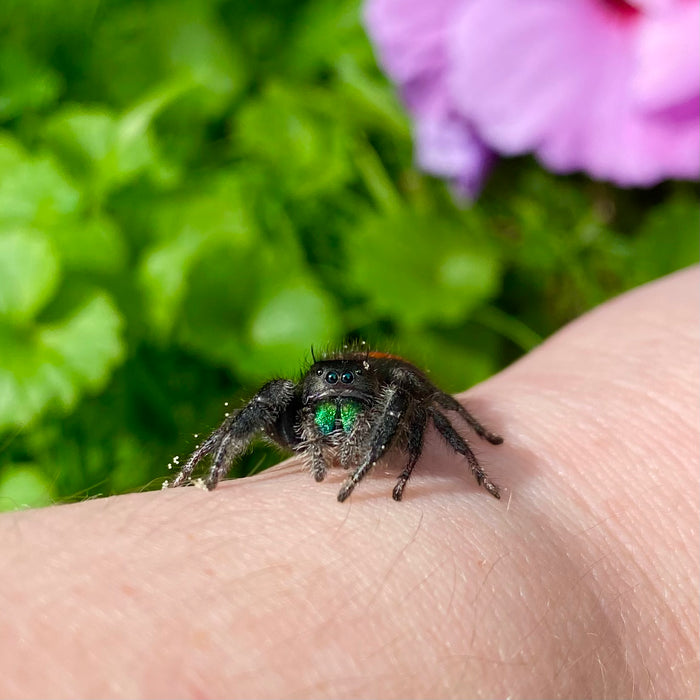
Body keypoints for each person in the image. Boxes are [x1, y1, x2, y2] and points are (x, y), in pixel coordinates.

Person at [0, 267, 697, 698]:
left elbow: (423, 397)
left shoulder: (389, 392)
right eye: (319, 409)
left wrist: (472, 452)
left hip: (399, 401)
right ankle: (198, 471)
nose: (331, 417)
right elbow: (270, 406)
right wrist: (211, 465)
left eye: (343, 410)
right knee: (268, 393)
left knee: (409, 388)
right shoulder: (297, 401)